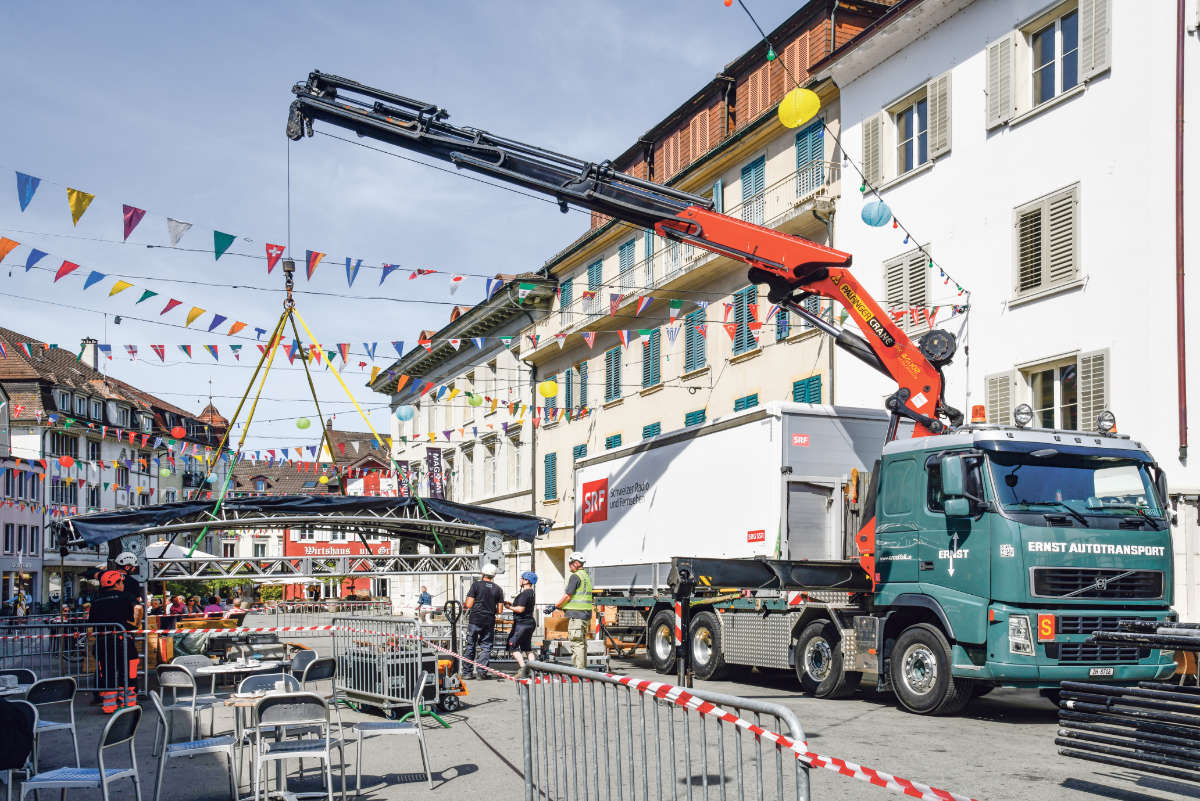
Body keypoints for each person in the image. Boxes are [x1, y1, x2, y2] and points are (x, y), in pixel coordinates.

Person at [86, 570, 141, 713]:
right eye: (121, 582)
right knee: (129, 671)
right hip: (123, 641)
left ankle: (109, 706)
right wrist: (135, 624)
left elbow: (91, 626)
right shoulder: (126, 596)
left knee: (106, 672)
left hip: (103, 643)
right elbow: (138, 608)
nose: (122, 584)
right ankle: (128, 704)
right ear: (116, 583)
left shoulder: (96, 600)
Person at [548, 552, 592, 670]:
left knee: (576, 644)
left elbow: (568, 596)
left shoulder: (575, 576)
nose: (569, 566)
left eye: (570, 564)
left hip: (577, 616)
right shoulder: (586, 576)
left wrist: (555, 606)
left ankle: (579, 672)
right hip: (585, 615)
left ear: (576, 563)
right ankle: (582, 670)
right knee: (582, 644)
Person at [462, 563, 504, 680]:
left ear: (482, 573)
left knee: (470, 645)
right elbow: (500, 610)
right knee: (486, 647)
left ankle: (467, 673)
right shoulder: (498, 589)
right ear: (493, 576)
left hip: (475, 619)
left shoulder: (476, 585)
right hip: (489, 620)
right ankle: (481, 672)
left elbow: (469, 604)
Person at [507, 572, 538, 679]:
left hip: (522, 623)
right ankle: (534, 670)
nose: (520, 580)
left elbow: (520, 609)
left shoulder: (525, 593)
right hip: (529, 622)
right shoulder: (531, 593)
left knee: (512, 645)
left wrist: (509, 607)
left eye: (522, 578)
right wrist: (512, 604)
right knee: (527, 648)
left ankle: (523, 669)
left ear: (527, 581)